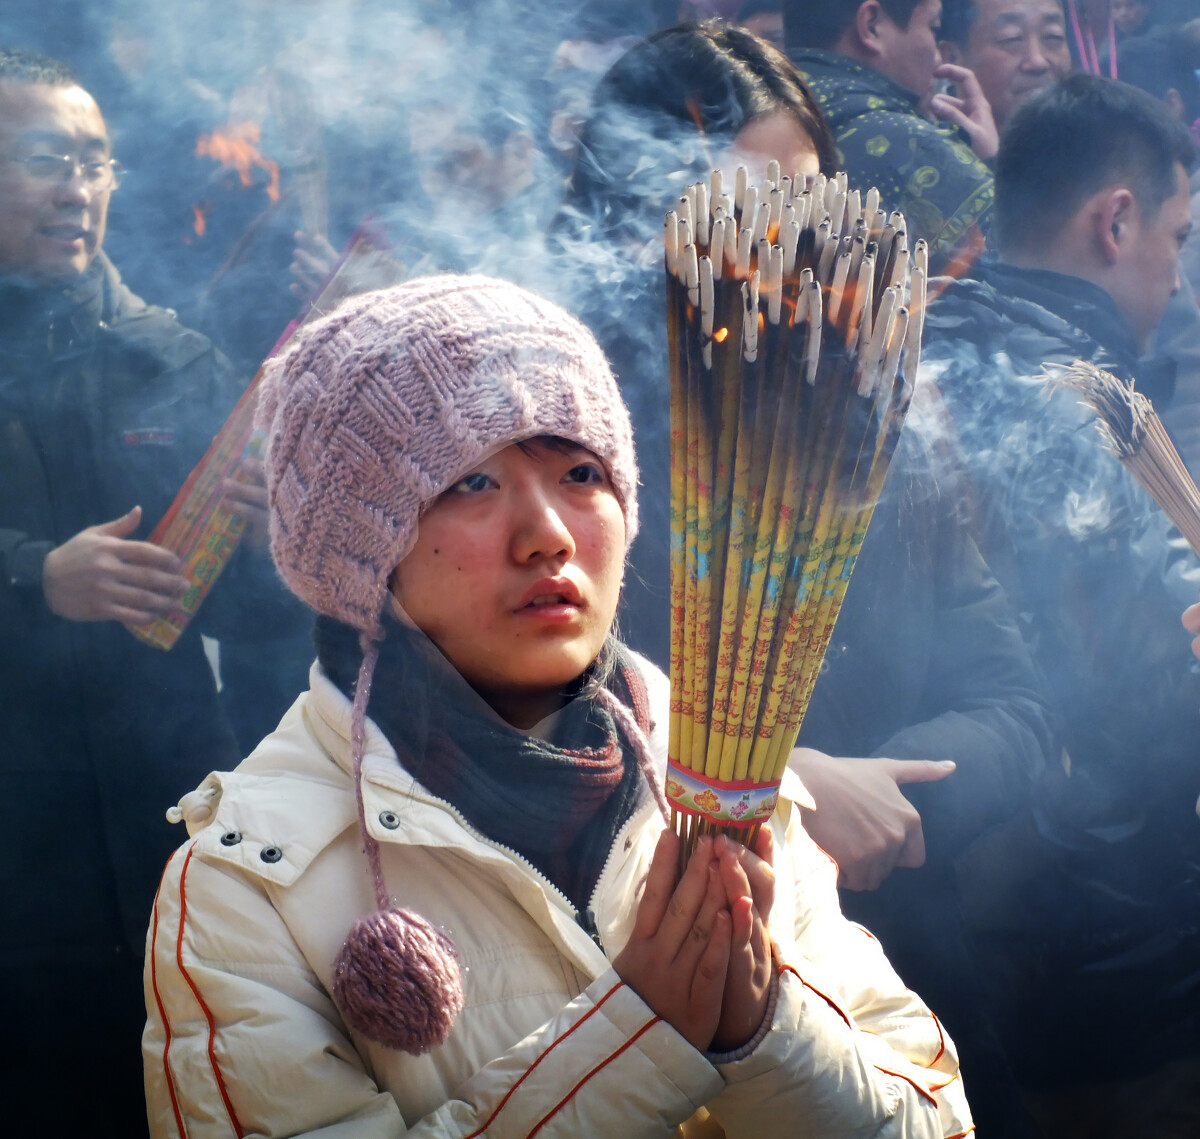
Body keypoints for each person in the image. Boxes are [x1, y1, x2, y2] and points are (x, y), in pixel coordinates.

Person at [143, 274, 973, 1137]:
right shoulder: (249, 883)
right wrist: (640, 1037)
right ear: (361, 550)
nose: (550, 533)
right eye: (471, 481)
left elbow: (935, 1116)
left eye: (581, 471)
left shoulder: (725, 786)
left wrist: (764, 1032)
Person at [555, 24, 1054, 1135]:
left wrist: (887, 794)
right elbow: (537, 730)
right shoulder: (566, 458)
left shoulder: (886, 415)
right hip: (659, 1016)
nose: (788, 243)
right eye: (746, 205)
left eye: (811, 202)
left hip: (898, 986)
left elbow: (1017, 710)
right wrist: (798, 784)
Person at [0, 47, 280, 1133]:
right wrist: (33, 573)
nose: (77, 188)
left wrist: (261, 545)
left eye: (96, 164)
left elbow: (253, 622)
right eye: (41, 160)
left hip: (165, 821)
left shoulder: (177, 364)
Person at [921, 74, 1200, 1135]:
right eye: (1179, 237)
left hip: (993, 934)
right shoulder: (1077, 409)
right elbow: (1150, 683)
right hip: (1111, 938)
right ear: (1116, 220)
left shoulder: (944, 346)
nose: (1179, 278)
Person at [781, 0, 998, 271]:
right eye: (933, 27)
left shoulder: (741, 112)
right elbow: (1025, 276)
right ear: (871, 26)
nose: (939, 58)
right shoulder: (917, 146)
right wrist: (990, 159)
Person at [937, 0, 1072, 131]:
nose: (1038, 62)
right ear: (952, 59)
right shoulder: (927, 148)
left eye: (1054, 36)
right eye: (1011, 39)